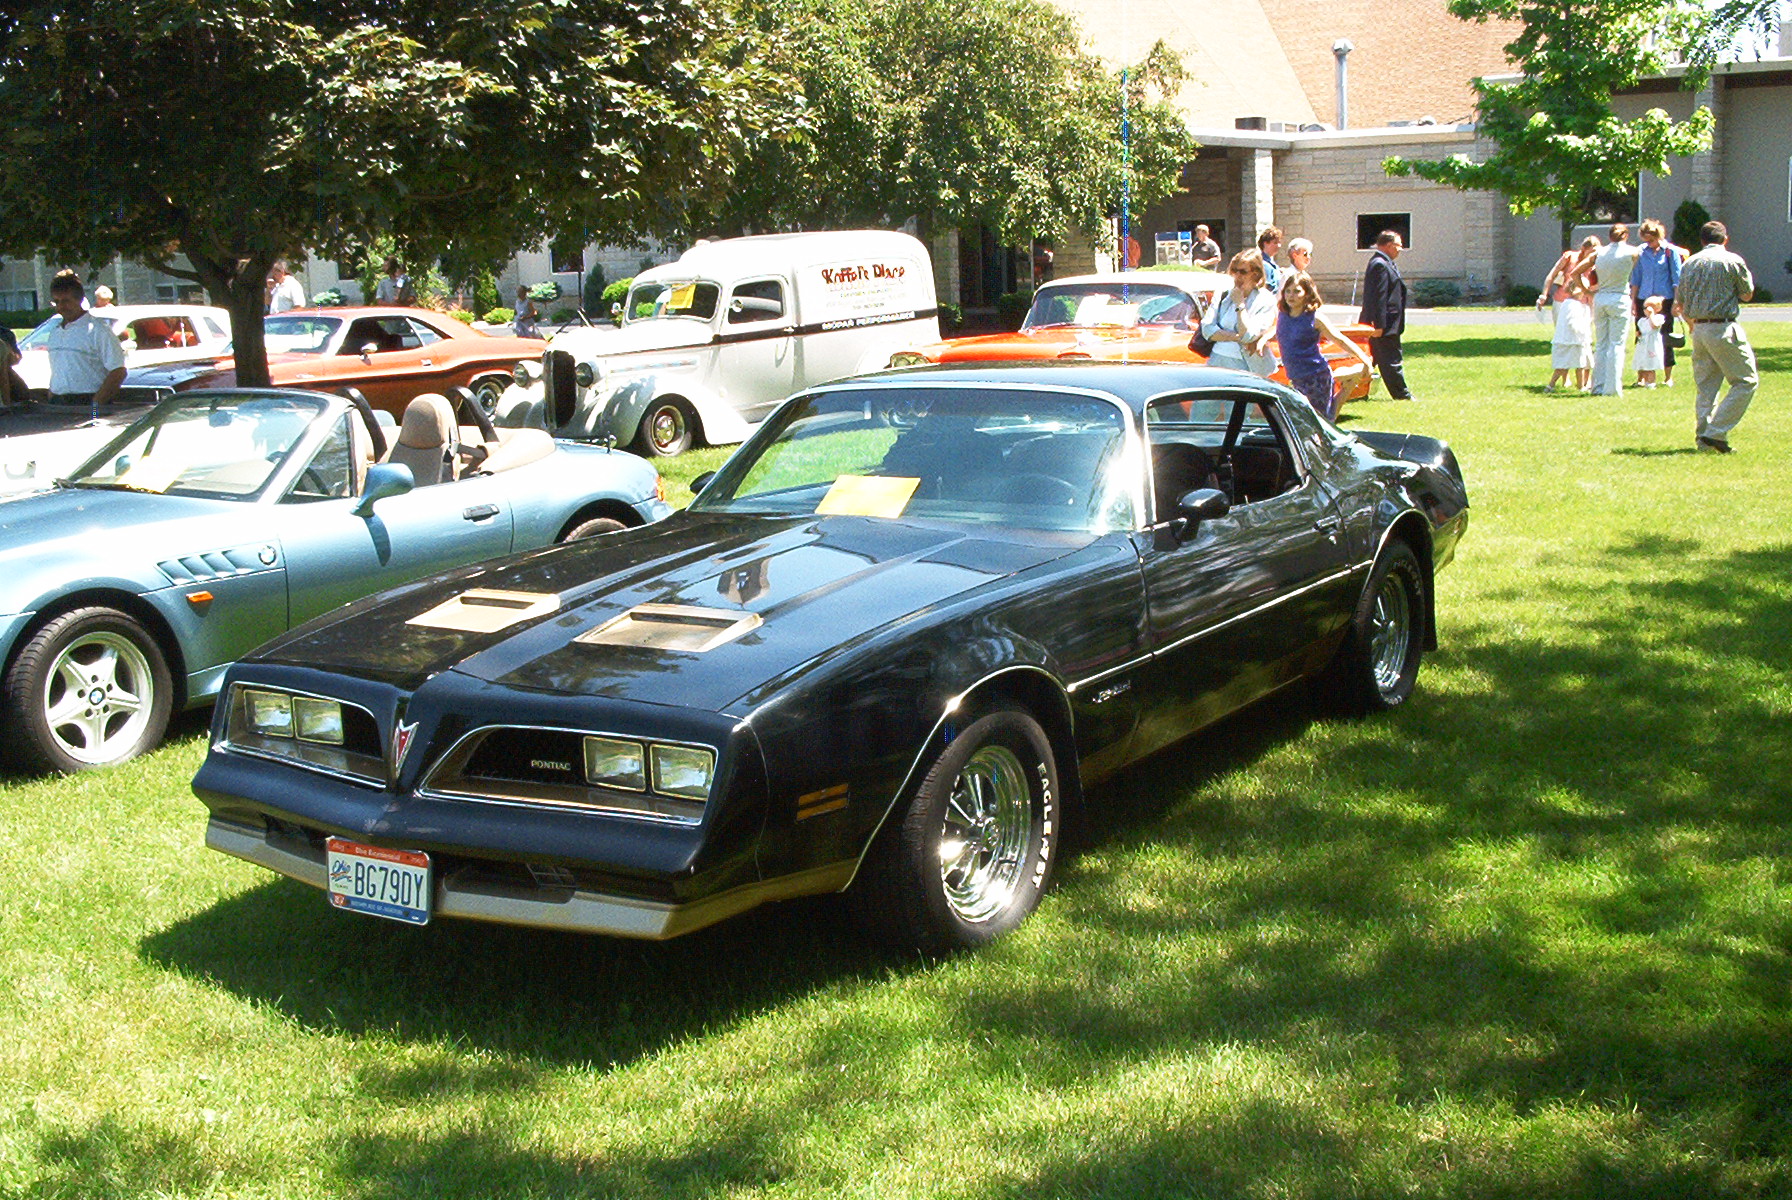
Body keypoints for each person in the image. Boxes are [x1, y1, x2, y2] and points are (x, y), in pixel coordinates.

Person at [1674, 220, 1757, 453]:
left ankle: (1703, 437)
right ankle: (1716, 433)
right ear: (1725, 239)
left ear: (1701, 240)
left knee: (1706, 386)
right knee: (1745, 381)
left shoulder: (1689, 263)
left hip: (1698, 328)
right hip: (1723, 326)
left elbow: (1681, 299)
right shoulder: (1733, 260)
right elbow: (1747, 294)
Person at [1276, 271, 1372, 420]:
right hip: (1295, 377)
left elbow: (1339, 339)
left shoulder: (1314, 318)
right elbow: (1274, 333)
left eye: (1296, 291)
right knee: (1313, 420)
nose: (1290, 296)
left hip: (1315, 376)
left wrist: (1364, 358)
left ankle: (1351, 377)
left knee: (1321, 422)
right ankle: (1349, 380)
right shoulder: (1282, 315)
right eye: (1287, 291)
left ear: (1307, 294)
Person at [44, 270, 125, 417]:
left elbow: (118, 371)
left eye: (66, 301)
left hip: (86, 402)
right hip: (58, 404)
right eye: (57, 302)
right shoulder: (55, 332)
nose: (61, 306)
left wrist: (95, 406)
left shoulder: (98, 331)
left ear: (80, 299)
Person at [1198, 249, 1278, 378]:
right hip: (1218, 362)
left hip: (1248, 367)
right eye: (1234, 271)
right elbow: (1207, 329)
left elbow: (1248, 335)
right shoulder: (1223, 295)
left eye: (1243, 272)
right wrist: (1236, 337)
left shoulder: (1265, 300)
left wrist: (1240, 304)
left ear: (1256, 274)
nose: (1237, 276)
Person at [1358, 229, 1414, 400]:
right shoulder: (1379, 264)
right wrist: (1379, 325)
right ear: (1389, 245)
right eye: (1399, 245)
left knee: (1370, 359)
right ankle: (1402, 395)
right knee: (1391, 359)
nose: (1401, 249)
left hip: (1387, 323)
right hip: (1384, 325)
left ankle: (1356, 391)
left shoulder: (1385, 263)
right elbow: (1378, 297)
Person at [1588, 223, 1640, 395]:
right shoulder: (1632, 252)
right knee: (1617, 344)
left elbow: (1576, 272)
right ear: (1625, 235)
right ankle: (1612, 388)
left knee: (1602, 344)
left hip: (1601, 297)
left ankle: (1597, 386)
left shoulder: (1599, 252)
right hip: (1619, 297)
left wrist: (1587, 290)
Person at [1631, 219, 1682, 385]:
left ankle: (1668, 376)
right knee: (1641, 336)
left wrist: (1676, 301)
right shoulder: (1641, 252)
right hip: (1644, 299)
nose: (1649, 243)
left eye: (1651, 240)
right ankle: (1642, 376)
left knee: (1665, 336)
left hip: (1664, 300)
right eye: (1646, 240)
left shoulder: (1670, 252)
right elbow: (1636, 277)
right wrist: (1633, 300)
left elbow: (1677, 278)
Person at [1546, 273, 1593, 393]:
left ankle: (1581, 384)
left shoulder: (1573, 305)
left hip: (1572, 339)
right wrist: (1581, 332)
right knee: (1576, 364)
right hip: (1574, 339)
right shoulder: (1572, 305)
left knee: (1577, 364)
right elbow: (1573, 323)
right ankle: (1578, 385)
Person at [1631, 296, 1665, 387]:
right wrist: (1638, 333)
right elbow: (1642, 330)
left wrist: (1651, 315)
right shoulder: (1642, 320)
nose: (1647, 310)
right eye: (1645, 308)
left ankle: (1650, 382)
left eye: (1650, 307)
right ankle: (1640, 380)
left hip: (1652, 344)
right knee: (1641, 362)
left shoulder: (1658, 318)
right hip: (1642, 344)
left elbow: (1654, 326)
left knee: (1650, 364)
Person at [1256, 226, 1284, 293]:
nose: (1279, 245)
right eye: (1275, 242)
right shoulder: (1264, 264)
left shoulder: (1272, 264)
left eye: (1279, 242)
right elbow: (1268, 288)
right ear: (1265, 243)